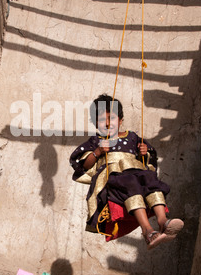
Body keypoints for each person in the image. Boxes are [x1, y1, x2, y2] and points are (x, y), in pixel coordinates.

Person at [69, 94, 183, 250]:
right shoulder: (97, 141)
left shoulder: (133, 137)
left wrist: (144, 153)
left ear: (121, 120)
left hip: (137, 174)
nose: (107, 123)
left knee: (150, 179)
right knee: (130, 183)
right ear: (96, 123)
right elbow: (84, 164)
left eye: (112, 118)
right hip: (114, 179)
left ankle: (164, 221)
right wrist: (98, 152)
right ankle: (148, 231)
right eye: (102, 120)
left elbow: (148, 159)